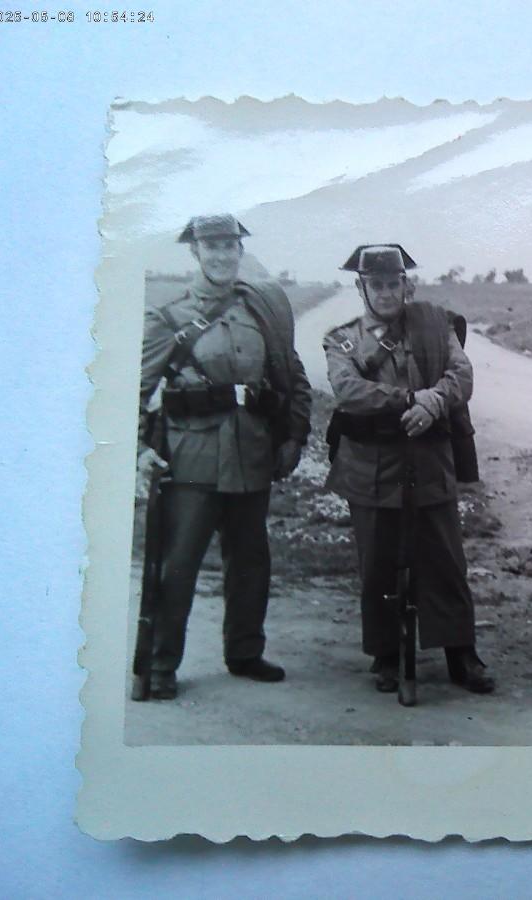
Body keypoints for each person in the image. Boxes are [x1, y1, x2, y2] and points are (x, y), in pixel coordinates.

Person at [136, 214, 312, 700]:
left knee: (251, 562)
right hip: (191, 461)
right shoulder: (168, 318)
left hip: (251, 456)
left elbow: (291, 376)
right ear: (195, 252)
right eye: (210, 247)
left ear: (239, 251)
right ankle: (160, 663)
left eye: (229, 246)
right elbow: (135, 389)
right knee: (179, 566)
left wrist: (294, 434)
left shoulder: (261, 312)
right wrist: (141, 449)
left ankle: (245, 652)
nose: (221, 255)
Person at [323, 244, 494, 695]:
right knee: (378, 561)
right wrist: (406, 400)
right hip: (370, 466)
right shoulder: (342, 339)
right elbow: (348, 390)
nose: (384, 292)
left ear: (406, 284)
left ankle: (460, 651)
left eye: (392, 283)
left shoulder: (437, 325)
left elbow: (462, 375)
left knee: (444, 559)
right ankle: (385, 654)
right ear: (361, 288)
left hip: (429, 460)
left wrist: (434, 401)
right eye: (374, 284)